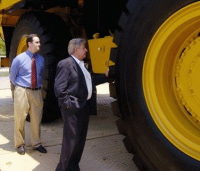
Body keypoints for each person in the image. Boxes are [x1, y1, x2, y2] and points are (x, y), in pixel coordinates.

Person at [54, 38, 109, 171]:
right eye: (84, 48)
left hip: (84, 108)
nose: (86, 50)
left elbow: (90, 82)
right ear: (76, 49)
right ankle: (62, 168)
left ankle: (73, 166)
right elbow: (59, 88)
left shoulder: (82, 65)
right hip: (73, 109)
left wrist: (105, 76)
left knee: (80, 141)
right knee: (70, 142)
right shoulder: (66, 64)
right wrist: (68, 105)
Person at [9, 34, 47, 155]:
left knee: (36, 119)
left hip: (37, 92)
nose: (39, 44)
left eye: (39, 42)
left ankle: (36, 143)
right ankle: (20, 144)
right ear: (29, 43)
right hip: (22, 90)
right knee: (20, 118)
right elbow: (12, 77)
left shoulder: (41, 59)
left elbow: (40, 75)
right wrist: (21, 89)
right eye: (36, 42)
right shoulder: (19, 59)